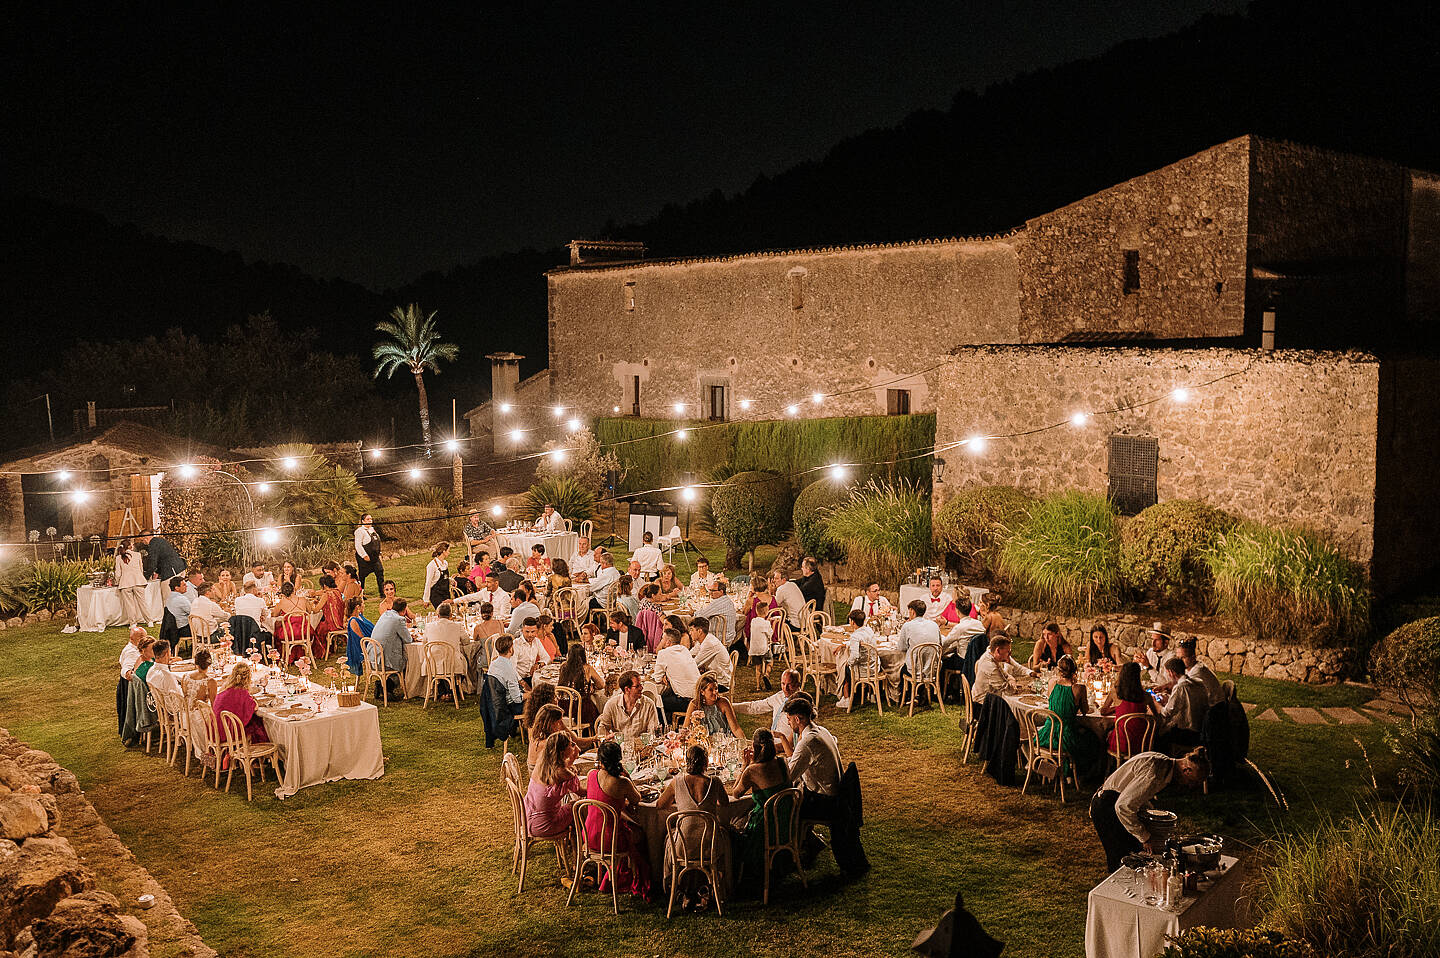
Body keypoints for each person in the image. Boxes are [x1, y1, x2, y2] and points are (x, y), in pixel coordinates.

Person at [1090, 748, 1211, 871]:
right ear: (1187, 770)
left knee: (1134, 856)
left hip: (1115, 804)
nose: (1188, 785)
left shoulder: (1163, 763)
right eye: (1191, 782)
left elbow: (1135, 794)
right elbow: (1123, 806)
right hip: (1106, 808)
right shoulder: (1155, 773)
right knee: (1121, 861)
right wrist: (1145, 837)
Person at [656, 743, 735, 906]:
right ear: (706, 762)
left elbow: (660, 805)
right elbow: (725, 803)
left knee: (668, 837)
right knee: (725, 833)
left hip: (683, 848)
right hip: (709, 846)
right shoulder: (715, 782)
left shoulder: (676, 782)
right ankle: (714, 887)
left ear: (686, 762)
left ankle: (675, 888)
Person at [583, 741, 652, 899]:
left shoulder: (591, 775)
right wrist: (627, 777)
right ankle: (642, 876)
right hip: (610, 840)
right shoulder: (621, 782)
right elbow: (636, 799)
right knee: (642, 833)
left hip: (589, 835)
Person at [731, 728, 792, 888]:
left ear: (755, 747)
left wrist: (745, 765)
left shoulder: (752, 770)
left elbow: (735, 794)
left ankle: (739, 876)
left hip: (764, 828)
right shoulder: (782, 762)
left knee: (732, 827)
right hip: (786, 824)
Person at [1034, 655, 1102, 783]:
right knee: (1092, 739)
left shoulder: (1052, 683)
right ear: (1075, 671)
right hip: (1066, 736)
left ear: (1059, 671)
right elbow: (1085, 711)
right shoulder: (1079, 688)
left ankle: (1057, 771)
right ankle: (1079, 775)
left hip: (1048, 733)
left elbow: (1053, 703)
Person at [783, 697, 843, 819]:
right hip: (837, 792)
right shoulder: (821, 730)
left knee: (782, 804)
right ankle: (804, 836)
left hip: (825, 800)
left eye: (789, 719)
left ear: (797, 719)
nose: (788, 723)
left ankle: (795, 836)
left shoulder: (807, 742)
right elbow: (797, 760)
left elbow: (788, 777)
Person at [525, 730, 585, 841]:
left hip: (527, 820)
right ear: (563, 751)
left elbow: (564, 770)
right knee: (578, 806)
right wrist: (574, 756)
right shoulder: (562, 772)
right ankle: (581, 841)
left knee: (569, 803)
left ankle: (574, 841)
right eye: (570, 746)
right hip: (545, 826)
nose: (573, 746)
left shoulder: (542, 763)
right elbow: (582, 792)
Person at [733, 669, 802, 754]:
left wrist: (767, 749)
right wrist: (730, 706)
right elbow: (755, 707)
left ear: (798, 684)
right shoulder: (779, 696)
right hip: (771, 742)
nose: (785, 688)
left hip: (786, 749)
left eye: (790, 685)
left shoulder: (801, 705)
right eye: (783, 684)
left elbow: (792, 742)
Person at [1102, 661, 1163, 756]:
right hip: (1142, 744)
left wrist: (1117, 708)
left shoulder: (1116, 692)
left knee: (1104, 733)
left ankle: (1109, 767)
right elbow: (1156, 718)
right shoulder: (1146, 695)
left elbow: (1103, 711)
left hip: (1121, 744)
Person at [1157, 657, 1207, 752]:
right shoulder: (1198, 682)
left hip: (1188, 732)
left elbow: (1166, 713)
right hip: (1201, 727)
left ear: (1171, 672)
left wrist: (1156, 705)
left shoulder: (1180, 687)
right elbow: (1186, 701)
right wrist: (1169, 699)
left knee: (1158, 733)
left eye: (1167, 673)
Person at [213, 661, 269, 745]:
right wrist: (254, 700)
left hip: (216, 729)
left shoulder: (225, 687)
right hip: (229, 731)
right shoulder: (242, 692)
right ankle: (259, 748)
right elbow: (254, 707)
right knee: (256, 722)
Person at [597, 669, 662, 738]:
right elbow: (602, 728)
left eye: (641, 684)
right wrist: (608, 737)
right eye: (637, 686)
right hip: (620, 746)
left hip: (641, 746)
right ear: (627, 689)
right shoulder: (612, 704)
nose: (642, 688)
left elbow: (653, 731)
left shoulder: (649, 704)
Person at [369, 599, 414, 697]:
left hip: (373, 658)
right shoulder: (399, 619)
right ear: (404, 610)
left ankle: (383, 685)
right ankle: (387, 687)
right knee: (410, 662)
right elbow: (408, 639)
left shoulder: (385, 615)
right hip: (384, 661)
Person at [835, 609, 877, 710]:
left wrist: (848, 663)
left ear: (852, 622)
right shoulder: (869, 630)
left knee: (844, 668)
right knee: (848, 666)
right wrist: (845, 644)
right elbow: (863, 642)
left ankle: (846, 698)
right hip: (874, 667)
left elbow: (855, 656)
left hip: (862, 670)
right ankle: (870, 694)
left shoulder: (855, 636)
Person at [971, 636, 1034, 703]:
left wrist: (1011, 680)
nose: (1009, 655)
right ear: (998, 650)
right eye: (1008, 652)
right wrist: (1013, 685)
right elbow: (1008, 691)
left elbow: (1005, 674)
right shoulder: (991, 667)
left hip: (990, 695)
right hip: (984, 703)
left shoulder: (990, 655)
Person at [556, 643, 605, 729]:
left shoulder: (563, 667)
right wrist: (591, 686)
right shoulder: (587, 668)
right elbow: (601, 685)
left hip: (563, 707)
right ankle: (591, 735)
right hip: (581, 709)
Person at [655, 627, 701, 717]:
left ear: (668, 642)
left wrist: (664, 675)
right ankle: (673, 723)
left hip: (686, 702)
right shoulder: (685, 650)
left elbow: (657, 678)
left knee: (656, 701)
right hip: (699, 698)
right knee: (666, 695)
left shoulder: (663, 653)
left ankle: (663, 727)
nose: (661, 641)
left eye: (662, 639)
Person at [894, 599, 941, 677]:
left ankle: (907, 689)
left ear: (912, 611)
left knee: (900, 669)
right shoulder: (934, 625)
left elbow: (901, 648)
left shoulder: (907, 626)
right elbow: (940, 645)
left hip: (914, 670)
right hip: (933, 669)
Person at [1176, 637, 1224, 706]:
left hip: (1214, 710)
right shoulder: (1191, 668)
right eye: (1178, 658)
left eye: (1183, 657)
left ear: (1193, 657)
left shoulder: (1197, 672)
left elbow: (1183, 693)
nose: (1179, 661)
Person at [689, 617, 733, 690]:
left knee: (689, 685)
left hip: (721, 683)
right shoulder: (703, 640)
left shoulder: (709, 643)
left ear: (699, 631)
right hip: (713, 677)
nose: (690, 633)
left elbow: (694, 664)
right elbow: (689, 655)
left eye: (692, 630)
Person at [488, 634, 526, 721]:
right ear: (510, 649)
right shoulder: (509, 669)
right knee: (537, 701)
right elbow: (517, 699)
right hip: (508, 707)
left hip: (495, 703)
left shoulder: (493, 663)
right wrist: (532, 694)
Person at [116, 627, 146, 734]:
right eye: (141, 638)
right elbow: (126, 671)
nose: (144, 640)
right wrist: (133, 675)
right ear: (132, 639)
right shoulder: (131, 652)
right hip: (130, 686)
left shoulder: (139, 649)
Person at [114, 539, 150, 627]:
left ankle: (133, 623)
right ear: (131, 546)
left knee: (129, 605)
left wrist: (117, 582)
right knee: (142, 603)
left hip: (125, 583)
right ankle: (149, 621)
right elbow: (141, 569)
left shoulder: (118, 558)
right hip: (138, 581)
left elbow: (118, 573)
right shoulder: (137, 555)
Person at [697, 577, 737, 650]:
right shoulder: (726, 600)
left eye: (713, 591)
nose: (710, 593)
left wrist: (694, 612)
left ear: (721, 592)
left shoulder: (719, 603)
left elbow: (700, 616)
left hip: (720, 637)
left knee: (694, 630)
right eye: (710, 590)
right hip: (728, 635)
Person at [512, 618, 553, 686]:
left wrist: (538, 664)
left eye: (533, 632)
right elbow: (512, 669)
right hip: (518, 679)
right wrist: (522, 683)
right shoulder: (516, 644)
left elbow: (547, 658)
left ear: (536, 631)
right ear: (522, 630)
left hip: (533, 678)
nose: (530, 635)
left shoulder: (536, 641)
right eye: (527, 632)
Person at [354, 513, 384, 594]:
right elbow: (358, 545)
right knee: (362, 576)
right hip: (364, 558)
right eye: (368, 519)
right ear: (363, 521)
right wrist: (364, 555)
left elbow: (377, 543)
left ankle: (382, 593)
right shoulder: (359, 531)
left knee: (380, 572)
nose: (370, 521)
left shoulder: (372, 530)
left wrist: (379, 554)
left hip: (375, 558)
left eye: (371, 519)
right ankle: (360, 593)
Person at [344, 596, 372, 679]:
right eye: (363, 603)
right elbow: (362, 639)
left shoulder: (360, 617)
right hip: (364, 649)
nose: (364, 605)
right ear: (358, 607)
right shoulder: (353, 621)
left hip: (371, 643)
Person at [772, 569, 808, 633]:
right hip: (805, 623)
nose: (774, 581)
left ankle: (778, 641)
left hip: (795, 625)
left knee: (771, 621)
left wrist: (770, 590)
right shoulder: (792, 584)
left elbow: (773, 605)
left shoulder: (781, 589)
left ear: (784, 580)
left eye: (776, 578)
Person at [422, 542, 451, 609]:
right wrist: (426, 599)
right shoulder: (432, 565)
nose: (449, 553)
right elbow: (428, 583)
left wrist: (451, 580)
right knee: (442, 611)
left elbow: (445, 577)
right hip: (436, 594)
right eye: (448, 551)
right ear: (444, 551)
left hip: (446, 593)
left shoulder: (445, 563)